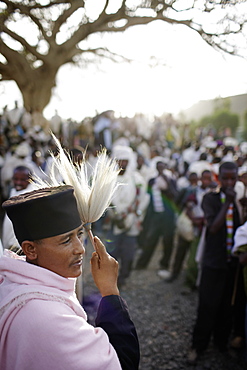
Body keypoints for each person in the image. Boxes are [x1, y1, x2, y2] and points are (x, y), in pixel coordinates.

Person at [0, 185, 140, 370]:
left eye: (79, 234)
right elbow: (122, 363)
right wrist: (110, 291)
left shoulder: (12, 280)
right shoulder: (49, 319)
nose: (81, 248)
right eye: (66, 240)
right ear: (30, 249)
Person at [188, 162, 246, 364]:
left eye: (233, 178)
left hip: (232, 264)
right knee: (207, 306)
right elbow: (213, 227)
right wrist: (227, 203)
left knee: (226, 307)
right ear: (218, 178)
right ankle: (198, 346)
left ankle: (221, 343)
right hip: (213, 263)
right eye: (226, 178)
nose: (229, 182)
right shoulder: (210, 199)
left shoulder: (238, 201)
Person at [105, 145, 149, 287]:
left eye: (125, 161)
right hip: (115, 222)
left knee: (129, 254)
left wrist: (137, 215)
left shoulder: (136, 179)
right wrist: (116, 214)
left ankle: (123, 277)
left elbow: (143, 199)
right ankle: (111, 279)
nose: (123, 164)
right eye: (120, 161)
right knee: (112, 253)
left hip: (131, 222)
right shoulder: (109, 179)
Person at [135, 159, 177, 277]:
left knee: (168, 241)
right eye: (158, 167)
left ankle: (165, 264)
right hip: (155, 216)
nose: (160, 169)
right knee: (150, 239)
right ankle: (141, 264)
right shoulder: (152, 181)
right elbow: (148, 198)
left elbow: (174, 195)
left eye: (162, 167)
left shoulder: (170, 179)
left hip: (168, 217)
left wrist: (165, 179)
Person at [2, 165, 36, 250]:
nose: (18, 182)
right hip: (9, 243)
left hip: (19, 247)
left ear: (30, 180)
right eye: (15, 179)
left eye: (22, 180)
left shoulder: (30, 196)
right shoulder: (14, 191)